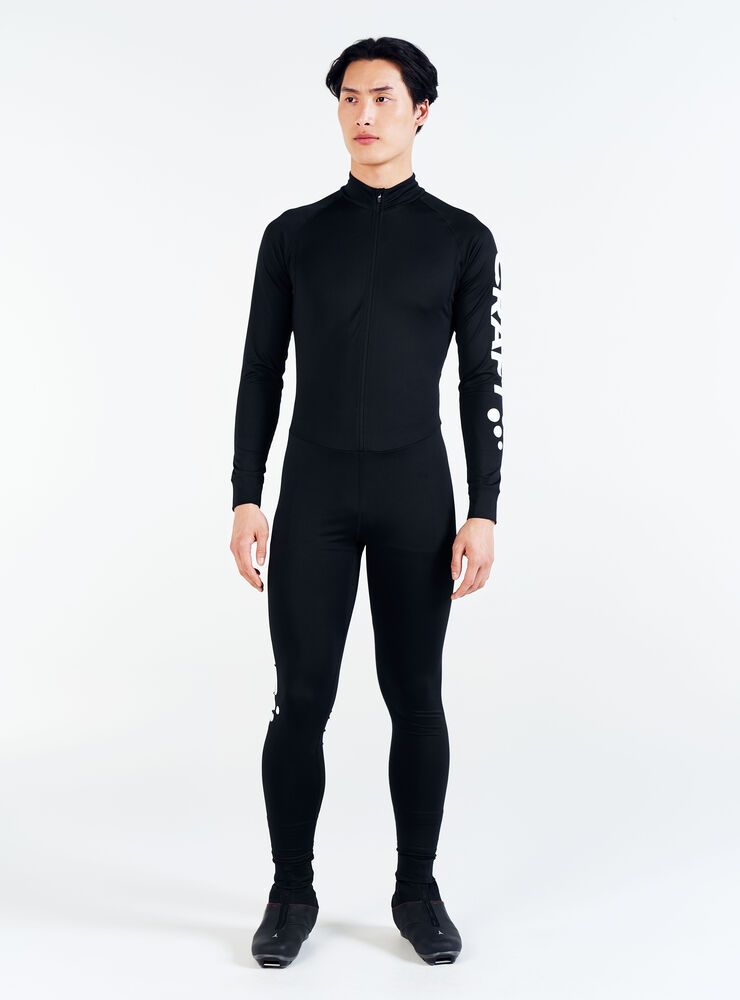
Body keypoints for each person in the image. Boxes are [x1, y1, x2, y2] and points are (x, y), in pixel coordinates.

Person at [229, 36, 503, 968]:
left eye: (383, 97)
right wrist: (245, 495)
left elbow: (481, 380)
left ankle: (417, 890)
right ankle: (290, 892)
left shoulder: (462, 240)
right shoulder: (294, 236)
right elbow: (261, 371)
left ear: (421, 110)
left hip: (414, 494)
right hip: (311, 494)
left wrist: (484, 508)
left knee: (415, 696)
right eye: (350, 97)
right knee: (299, 699)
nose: (364, 114)